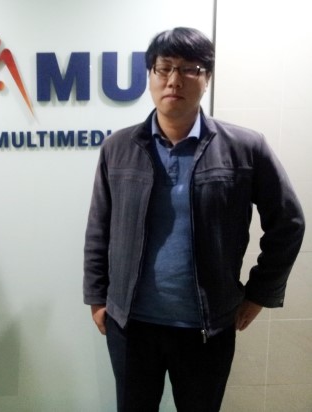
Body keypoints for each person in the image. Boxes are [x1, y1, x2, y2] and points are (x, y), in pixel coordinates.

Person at [83, 27, 305, 412]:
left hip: (207, 327)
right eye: (164, 67)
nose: (174, 80)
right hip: (132, 325)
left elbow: (288, 222)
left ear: (207, 78)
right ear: (150, 75)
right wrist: (97, 298)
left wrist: (259, 293)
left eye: (189, 69)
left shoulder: (245, 147)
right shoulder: (118, 147)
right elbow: (99, 229)